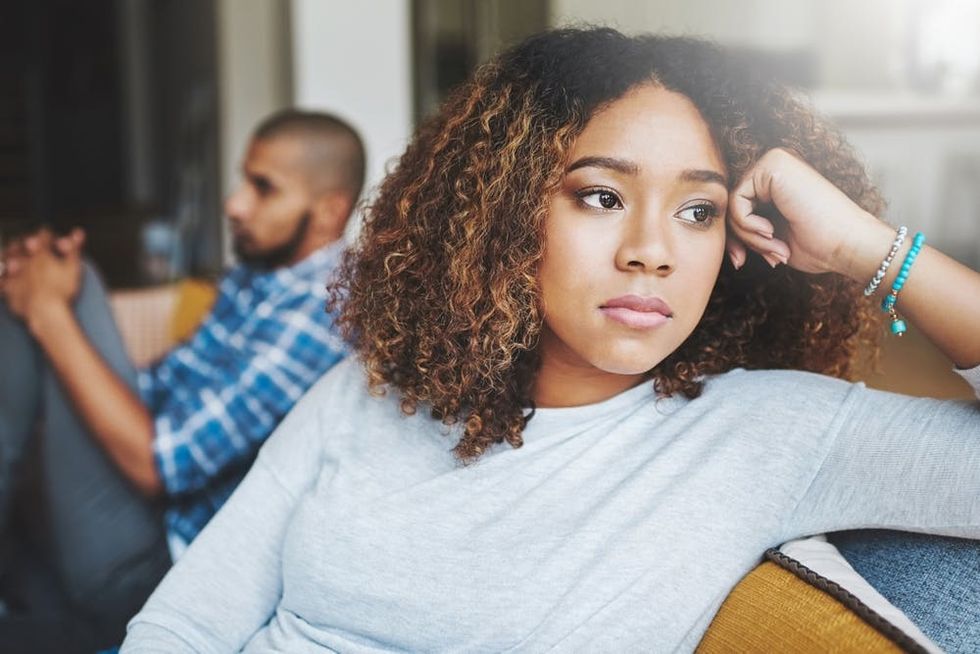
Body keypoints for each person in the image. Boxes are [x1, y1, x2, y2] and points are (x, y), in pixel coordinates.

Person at [121, 29, 979, 653]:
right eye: (601, 196)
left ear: (736, 245)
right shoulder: (367, 390)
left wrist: (875, 251)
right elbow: (186, 624)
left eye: (698, 211)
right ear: (503, 217)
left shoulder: (771, 436)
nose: (651, 248)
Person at [0, 109, 365, 651]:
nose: (234, 203)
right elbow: (159, 389)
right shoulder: (261, 276)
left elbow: (161, 466)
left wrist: (51, 314)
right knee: (48, 278)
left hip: (160, 558)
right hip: (140, 506)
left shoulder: (320, 314)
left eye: (263, 189)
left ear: (328, 210)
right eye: (245, 179)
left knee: (68, 289)